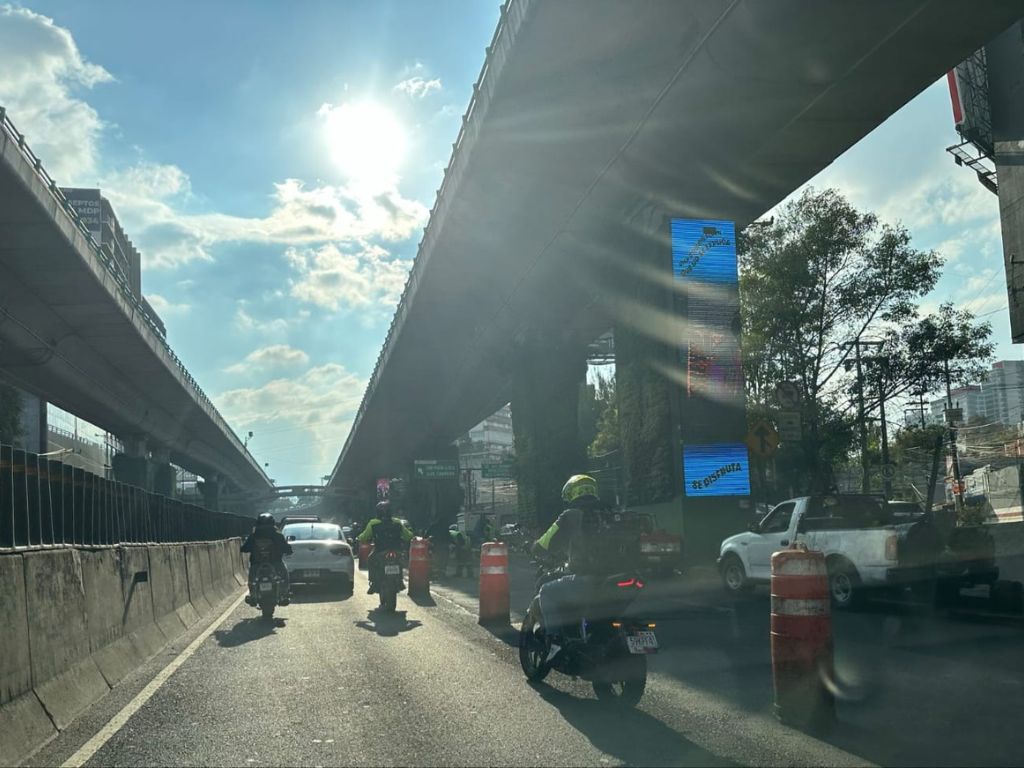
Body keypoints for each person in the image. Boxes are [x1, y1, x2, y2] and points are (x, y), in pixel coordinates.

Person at [531, 474, 640, 663]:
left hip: (589, 578)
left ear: (571, 493)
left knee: (546, 592)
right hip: (626, 578)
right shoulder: (612, 512)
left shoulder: (571, 515)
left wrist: (534, 548)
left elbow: (545, 543)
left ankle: (555, 643)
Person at [357, 500, 414, 593]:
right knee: (400, 562)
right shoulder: (397, 522)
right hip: (396, 550)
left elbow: (364, 537)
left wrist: (359, 538)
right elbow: (408, 536)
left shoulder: (373, 523)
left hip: (380, 550)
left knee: (370, 560)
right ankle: (400, 581)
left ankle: (373, 583)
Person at [241, 512, 293, 605]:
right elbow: (287, 548)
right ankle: (285, 594)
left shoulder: (253, 536)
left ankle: (252, 595)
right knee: (284, 574)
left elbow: (244, 548)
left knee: (252, 577)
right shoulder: (278, 535)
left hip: (256, 563)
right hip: (275, 562)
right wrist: (288, 551)